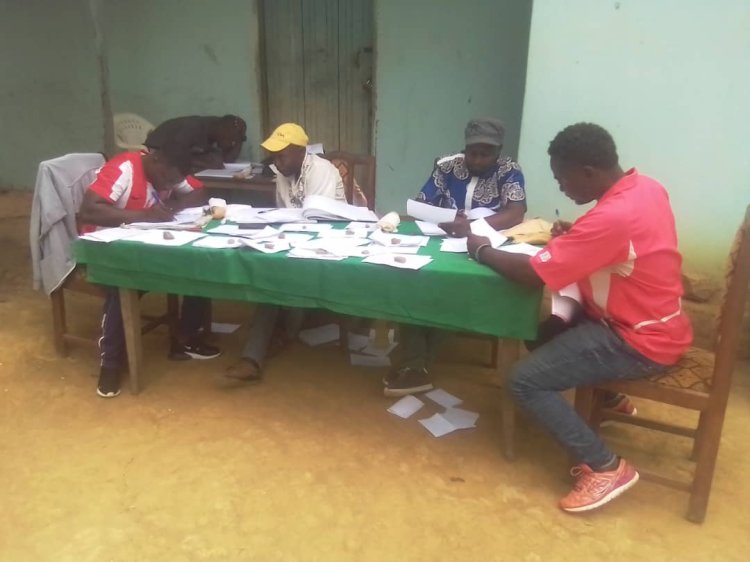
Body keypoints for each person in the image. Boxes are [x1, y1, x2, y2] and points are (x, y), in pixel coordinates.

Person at [465, 122, 692, 513]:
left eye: (561, 178)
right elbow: (625, 245)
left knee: (523, 381)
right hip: (657, 321)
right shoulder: (645, 188)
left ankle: (605, 466)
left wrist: (482, 250)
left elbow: (531, 274)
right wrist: (580, 234)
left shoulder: (612, 218)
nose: (561, 188)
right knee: (542, 331)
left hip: (636, 341)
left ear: (588, 172)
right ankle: (612, 395)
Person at [384, 117, 526, 397]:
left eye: (486, 154)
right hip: (442, 239)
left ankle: (416, 363)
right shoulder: (447, 166)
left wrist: (471, 228)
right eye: (472, 152)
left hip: (486, 242)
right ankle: (416, 361)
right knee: (413, 278)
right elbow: (421, 204)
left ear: (498, 153)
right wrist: (444, 218)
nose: (477, 159)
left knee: (454, 287)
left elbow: (515, 212)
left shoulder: (509, 170)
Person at [78, 141, 221, 398]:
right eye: (167, 179)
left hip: (145, 244)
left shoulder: (168, 170)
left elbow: (199, 193)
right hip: (105, 248)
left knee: (197, 260)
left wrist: (170, 209)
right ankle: (110, 363)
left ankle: (185, 338)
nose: (170, 186)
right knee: (123, 284)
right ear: (156, 159)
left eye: (175, 181)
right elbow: (88, 211)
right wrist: (146, 215)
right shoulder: (124, 168)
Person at [221, 123, 345, 384]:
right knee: (270, 275)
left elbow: (315, 218)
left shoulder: (321, 170)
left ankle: (275, 338)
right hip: (297, 241)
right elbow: (286, 214)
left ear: (300, 151)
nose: (276, 162)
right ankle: (254, 356)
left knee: (280, 281)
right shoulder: (282, 174)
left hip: (332, 243)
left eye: (282, 155)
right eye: (274, 156)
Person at [145, 115, 247, 172]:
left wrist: (240, 139)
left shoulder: (218, 131)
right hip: (157, 152)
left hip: (181, 153)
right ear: (222, 129)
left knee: (214, 159)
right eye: (230, 138)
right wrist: (205, 162)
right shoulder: (193, 128)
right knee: (213, 160)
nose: (230, 143)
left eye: (234, 140)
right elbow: (176, 154)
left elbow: (227, 160)